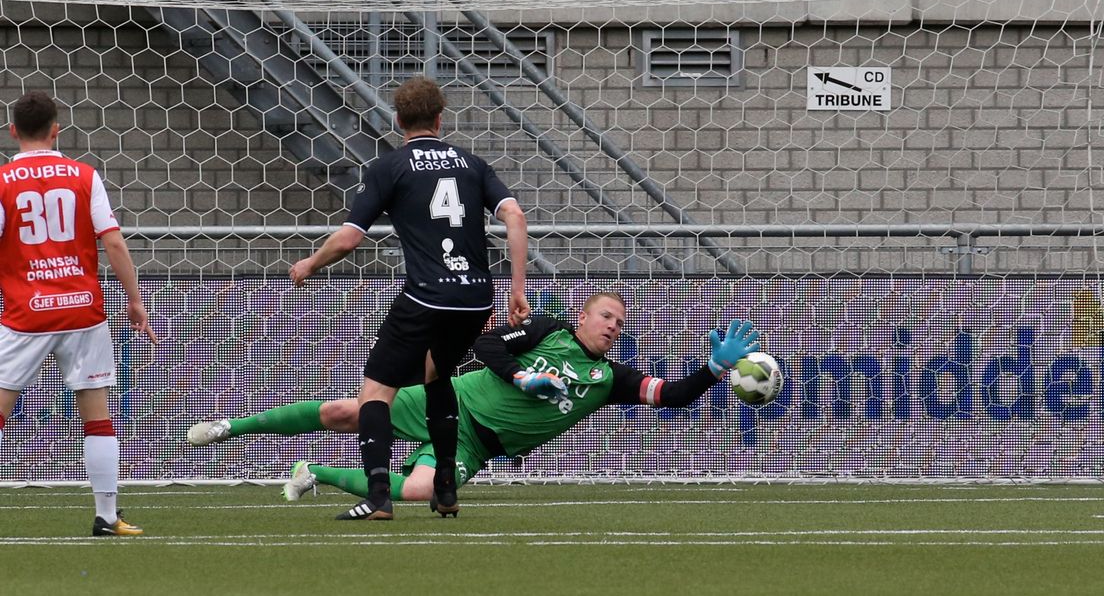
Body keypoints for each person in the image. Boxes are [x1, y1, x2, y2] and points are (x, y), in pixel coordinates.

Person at [187, 292, 759, 506]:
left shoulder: (610, 380)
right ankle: (230, 427)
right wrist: (522, 379)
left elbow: (675, 395)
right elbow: (487, 344)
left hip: (476, 443)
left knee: (416, 490)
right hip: (451, 400)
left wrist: (714, 368)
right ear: (583, 316)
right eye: (606, 316)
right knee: (346, 411)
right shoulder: (546, 330)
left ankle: (314, 472)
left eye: (619, 322)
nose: (613, 326)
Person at [285, 76, 529, 520]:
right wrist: (516, 288)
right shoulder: (473, 164)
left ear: (397, 120)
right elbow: (514, 213)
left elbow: (347, 239)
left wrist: (309, 264)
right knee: (437, 378)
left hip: (428, 295)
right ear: (440, 118)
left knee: (376, 391)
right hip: (475, 298)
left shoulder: (389, 166)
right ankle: (447, 491)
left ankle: (378, 495)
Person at [0, 91, 159, 536]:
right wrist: (135, 300)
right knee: (97, 414)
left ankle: (109, 516)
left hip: (24, 314)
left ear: (13, 131)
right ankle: (107, 516)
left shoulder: (3, 182)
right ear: (57, 129)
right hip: (82, 311)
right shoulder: (83, 176)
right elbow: (112, 241)